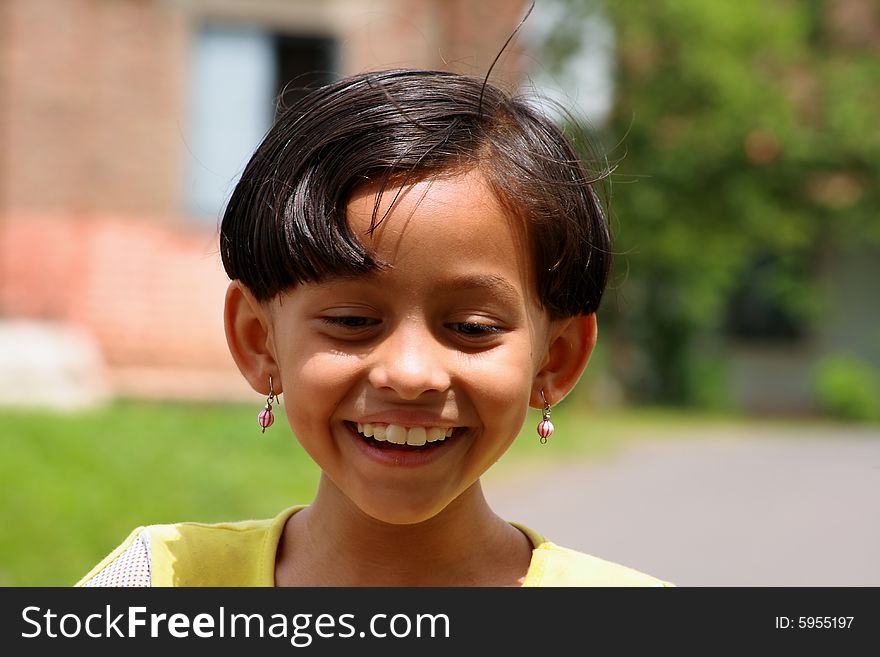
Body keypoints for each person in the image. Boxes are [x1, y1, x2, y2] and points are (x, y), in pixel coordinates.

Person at [76, 69, 671, 587]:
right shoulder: (161, 585)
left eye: (469, 327)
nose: (410, 374)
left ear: (556, 360)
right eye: (353, 322)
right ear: (260, 343)